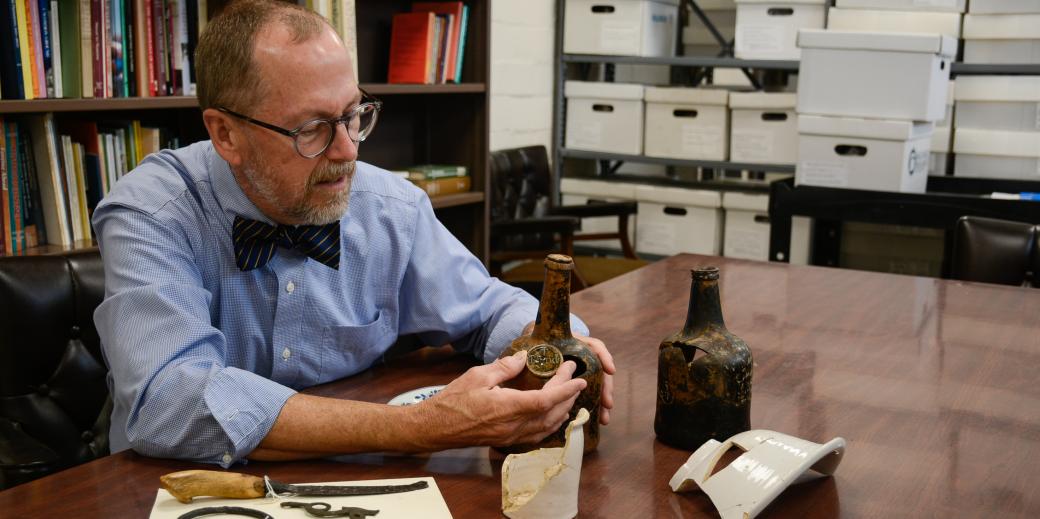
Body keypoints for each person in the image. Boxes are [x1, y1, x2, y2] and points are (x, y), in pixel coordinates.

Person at [93, 0, 614, 467]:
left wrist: (556, 349)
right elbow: (170, 399)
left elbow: (493, 309)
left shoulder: (391, 206)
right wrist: (423, 426)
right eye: (312, 128)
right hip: (179, 487)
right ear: (225, 133)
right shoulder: (152, 213)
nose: (348, 151)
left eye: (353, 115)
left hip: (353, 484)